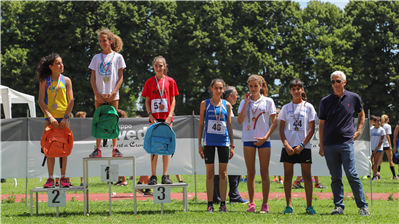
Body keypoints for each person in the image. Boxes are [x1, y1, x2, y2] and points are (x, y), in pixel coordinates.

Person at [318, 71, 369, 216]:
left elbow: (361, 114)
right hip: (329, 145)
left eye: (338, 81)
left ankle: (363, 207)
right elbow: (321, 124)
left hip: (347, 143)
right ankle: (338, 207)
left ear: (344, 82)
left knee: (352, 174)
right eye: (333, 81)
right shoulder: (325, 101)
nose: (335, 84)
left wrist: (359, 130)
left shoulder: (354, 98)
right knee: (335, 177)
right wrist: (321, 145)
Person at [237, 74, 277, 213]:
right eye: (251, 86)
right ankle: (252, 203)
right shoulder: (244, 101)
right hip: (248, 139)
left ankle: (265, 204)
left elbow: (274, 122)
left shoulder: (268, 101)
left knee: (264, 172)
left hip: (263, 139)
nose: (253, 88)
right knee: (250, 172)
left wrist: (265, 137)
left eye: (255, 85)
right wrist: (246, 103)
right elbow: (240, 120)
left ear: (261, 86)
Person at [278, 79, 318, 215]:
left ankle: (309, 206)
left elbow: (312, 129)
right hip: (288, 146)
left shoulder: (309, 107)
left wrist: (302, 144)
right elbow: (281, 129)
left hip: (304, 147)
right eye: (293, 89)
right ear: (290, 91)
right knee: (288, 175)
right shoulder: (286, 108)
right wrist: (286, 145)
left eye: (298, 89)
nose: (296, 91)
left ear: (302, 90)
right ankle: (288, 206)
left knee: (307, 176)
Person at [37, 53, 74, 188]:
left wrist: (66, 117)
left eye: (61, 62)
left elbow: (71, 101)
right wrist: (50, 117)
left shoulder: (67, 80)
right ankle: (51, 178)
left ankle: (64, 178)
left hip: (64, 119)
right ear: (51, 66)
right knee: (50, 148)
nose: (61, 65)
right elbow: (41, 101)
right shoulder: (44, 81)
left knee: (63, 148)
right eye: (58, 63)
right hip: (50, 119)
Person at [198, 79, 234, 213]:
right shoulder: (204, 104)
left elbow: (229, 125)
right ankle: (210, 204)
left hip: (223, 142)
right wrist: (199, 144)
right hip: (209, 142)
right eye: (216, 88)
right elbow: (201, 124)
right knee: (210, 173)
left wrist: (232, 145)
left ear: (224, 89)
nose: (218, 90)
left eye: (221, 88)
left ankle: (223, 204)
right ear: (211, 88)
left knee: (223, 173)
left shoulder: (227, 105)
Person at [88, 28, 126, 158]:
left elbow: (120, 77)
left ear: (111, 41)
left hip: (113, 95)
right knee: (98, 120)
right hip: (99, 94)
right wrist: (96, 93)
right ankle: (97, 148)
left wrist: (114, 92)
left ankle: (115, 148)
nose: (102, 43)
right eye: (100, 41)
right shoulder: (96, 58)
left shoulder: (118, 57)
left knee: (113, 120)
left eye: (104, 41)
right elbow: (92, 77)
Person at [142, 56, 178, 185]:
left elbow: (173, 99)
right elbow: (147, 100)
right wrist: (150, 115)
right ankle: (153, 176)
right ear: (153, 66)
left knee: (166, 145)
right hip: (154, 118)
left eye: (161, 65)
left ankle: (165, 175)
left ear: (165, 67)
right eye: (156, 65)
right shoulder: (149, 82)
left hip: (167, 118)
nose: (158, 68)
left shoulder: (170, 81)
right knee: (154, 146)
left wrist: (169, 116)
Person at [213, 86, 249, 204]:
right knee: (225, 169)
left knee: (227, 169)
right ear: (230, 96)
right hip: (224, 142)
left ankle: (226, 195)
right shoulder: (223, 106)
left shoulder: (225, 106)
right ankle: (225, 196)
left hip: (226, 142)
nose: (237, 97)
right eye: (236, 95)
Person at [377, 115, 398, 179]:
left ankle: (378, 176)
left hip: (381, 144)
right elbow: (388, 136)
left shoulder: (380, 125)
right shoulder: (388, 126)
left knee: (379, 160)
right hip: (386, 144)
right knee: (390, 160)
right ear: (387, 120)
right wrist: (390, 145)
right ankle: (394, 175)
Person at [114, 109, 128, 186]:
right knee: (116, 163)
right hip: (117, 145)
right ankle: (120, 179)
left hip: (122, 146)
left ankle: (124, 181)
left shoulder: (124, 124)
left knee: (121, 163)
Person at [370, 116, 385, 180]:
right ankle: (376, 173)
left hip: (378, 149)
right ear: (374, 122)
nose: (379, 122)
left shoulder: (382, 130)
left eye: (379, 121)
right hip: (371, 148)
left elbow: (382, 140)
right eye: (377, 121)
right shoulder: (371, 130)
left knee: (376, 162)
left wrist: (376, 149)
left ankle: (374, 177)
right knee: (369, 162)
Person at [75, 111, 87, 186]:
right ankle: (68, 181)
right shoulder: (74, 126)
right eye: (81, 117)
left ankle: (83, 182)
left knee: (83, 165)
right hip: (75, 147)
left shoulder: (87, 126)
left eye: (84, 117)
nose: (83, 119)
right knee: (71, 163)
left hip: (84, 148)